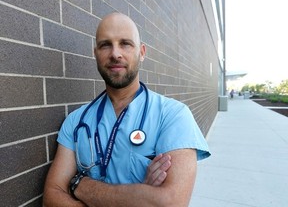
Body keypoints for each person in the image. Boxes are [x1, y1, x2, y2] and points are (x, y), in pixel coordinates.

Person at [43, 12, 210, 207]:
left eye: (125, 43)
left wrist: (82, 186)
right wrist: (139, 195)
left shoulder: (173, 115)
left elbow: (170, 202)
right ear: (95, 52)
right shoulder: (76, 121)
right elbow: (52, 196)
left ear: (142, 52)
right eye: (105, 45)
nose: (115, 54)